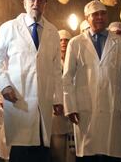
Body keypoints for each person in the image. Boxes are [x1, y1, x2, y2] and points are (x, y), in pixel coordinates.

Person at [0, 0, 64, 162]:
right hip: (19, 100)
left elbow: (55, 70)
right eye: (31, 0)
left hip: (43, 103)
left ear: (46, 4)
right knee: (21, 151)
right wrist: (5, 86)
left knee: (42, 151)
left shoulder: (53, 32)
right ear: (24, 3)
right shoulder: (9, 28)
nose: (35, 3)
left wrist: (58, 99)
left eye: (40, 0)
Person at [62, 0, 121, 162]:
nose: (100, 18)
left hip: (113, 108)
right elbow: (67, 78)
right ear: (87, 18)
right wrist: (70, 106)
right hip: (85, 110)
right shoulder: (75, 44)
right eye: (95, 14)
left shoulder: (120, 43)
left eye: (103, 14)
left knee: (112, 154)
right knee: (88, 155)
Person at [50, 30, 76, 162]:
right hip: (57, 112)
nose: (63, 43)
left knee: (72, 155)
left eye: (66, 40)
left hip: (74, 110)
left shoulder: (75, 61)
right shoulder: (51, 62)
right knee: (58, 152)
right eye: (61, 40)